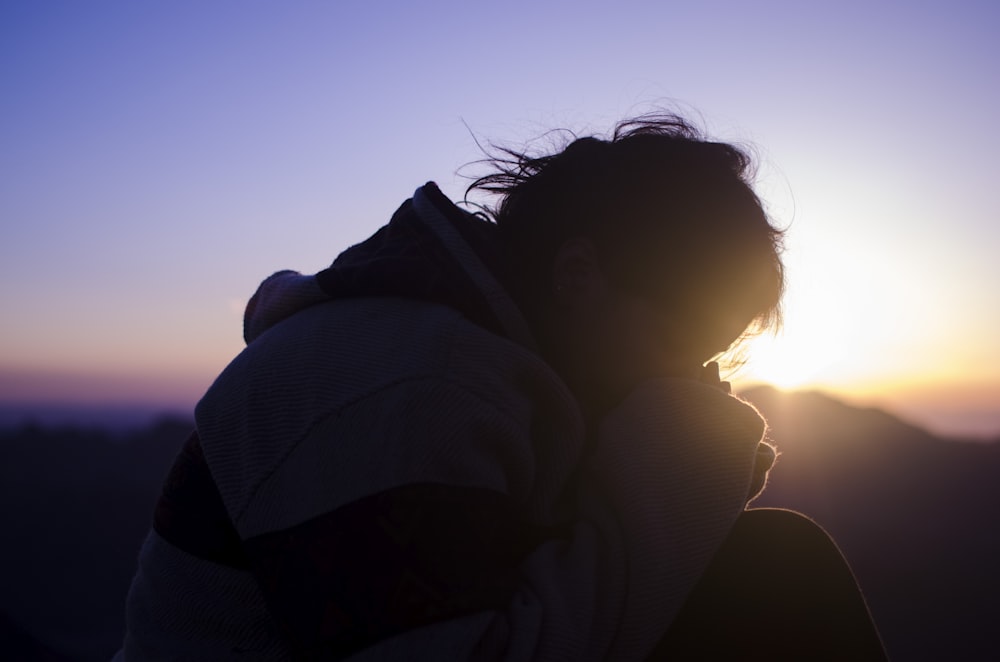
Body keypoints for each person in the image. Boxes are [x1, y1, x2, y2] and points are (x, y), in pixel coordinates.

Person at [115, 113, 885, 660]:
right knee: (782, 573)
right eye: (677, 345)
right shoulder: (414, 384)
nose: (684, 381)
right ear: (579, 273)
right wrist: (688, 467)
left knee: (773, 563)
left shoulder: (500, 363)